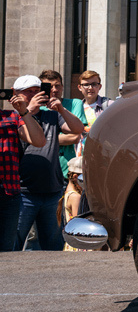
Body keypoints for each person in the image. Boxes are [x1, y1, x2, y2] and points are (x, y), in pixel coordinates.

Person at [15, 74, 86, 251]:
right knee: (15, 243)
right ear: (16, 94)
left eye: (37, 91)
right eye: (28, 92)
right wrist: (27, 111)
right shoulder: (13, 118)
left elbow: (78, 129)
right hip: (23, 193)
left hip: (52, 190)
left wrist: (61, 109)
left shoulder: (51, 116)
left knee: (53, 245)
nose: (33, 95)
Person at [0, 81, 46, 251]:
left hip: (9, 192)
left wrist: (24, 112)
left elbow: (39, 141)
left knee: (6, 249)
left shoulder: (11, 117)